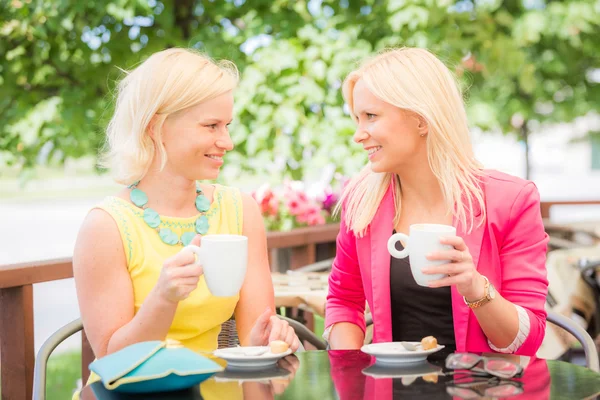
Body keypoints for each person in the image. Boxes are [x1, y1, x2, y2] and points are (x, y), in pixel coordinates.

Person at [73, 48, 300, 376]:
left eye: (227, 125)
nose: (228, 141)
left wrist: (272, 337)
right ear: (156, 127)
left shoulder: (240, 211)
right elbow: (112, 363)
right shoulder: (106, 226)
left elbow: (256, 342)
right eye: (211, 126)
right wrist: (163, 298)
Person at [325, 47, 549, 356]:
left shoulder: (510, 200)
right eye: (357, 119)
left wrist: (475, 287)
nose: (358, 135)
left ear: (421, 120)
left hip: (483, 390)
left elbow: (528, 340)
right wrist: (348, 368)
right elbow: (343, 301)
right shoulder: (363, 201)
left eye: (371, 117)